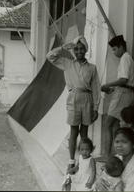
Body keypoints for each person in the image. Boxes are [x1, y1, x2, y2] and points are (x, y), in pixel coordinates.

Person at [46, 35, 101, 172]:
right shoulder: (67, 63)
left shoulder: (92, 68)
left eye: (82, 49)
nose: (79, 52)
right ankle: (71, 161)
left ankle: (84, 161)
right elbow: (50, 56)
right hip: (73, 98)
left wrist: (96, 107)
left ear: (86, 50)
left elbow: (96, 88)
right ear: (73, 50)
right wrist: (64, 47)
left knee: (84, 132)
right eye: (76, 49)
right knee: (73, 131)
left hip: (87, 98)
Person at [100, 35, 134, 159]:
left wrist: (107, 84)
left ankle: (106, 155)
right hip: (126, 93)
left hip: (123, 94)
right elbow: (124, 82)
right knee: (117, 126)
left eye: (115, 49)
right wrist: (113, 89)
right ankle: (117, 155)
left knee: (107, 124)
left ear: (121, 47)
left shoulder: (125, 58)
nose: (114, 52)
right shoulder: (127, 58)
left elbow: (123, 79)